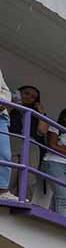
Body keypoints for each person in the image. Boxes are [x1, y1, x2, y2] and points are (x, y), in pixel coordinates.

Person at [0, 66, 13, 200]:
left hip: (1, 116)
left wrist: (2, 102)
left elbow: (6, 91)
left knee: (4, 154)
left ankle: (2, 190)